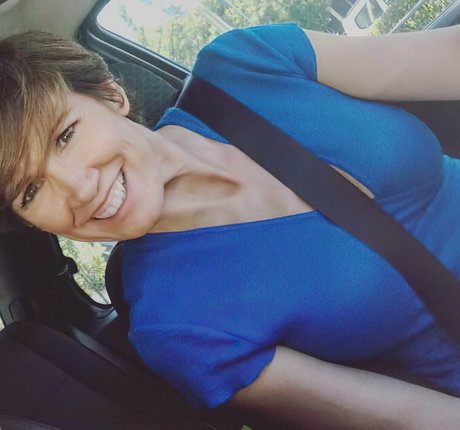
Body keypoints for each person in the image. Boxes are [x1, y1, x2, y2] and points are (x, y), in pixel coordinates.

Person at [1, 24, 460, 429]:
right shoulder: (175, 327)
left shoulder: (247, 62)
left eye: (65, 135)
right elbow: (414, 419)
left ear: (111, 95)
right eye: (30, 191)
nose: (78, 189)